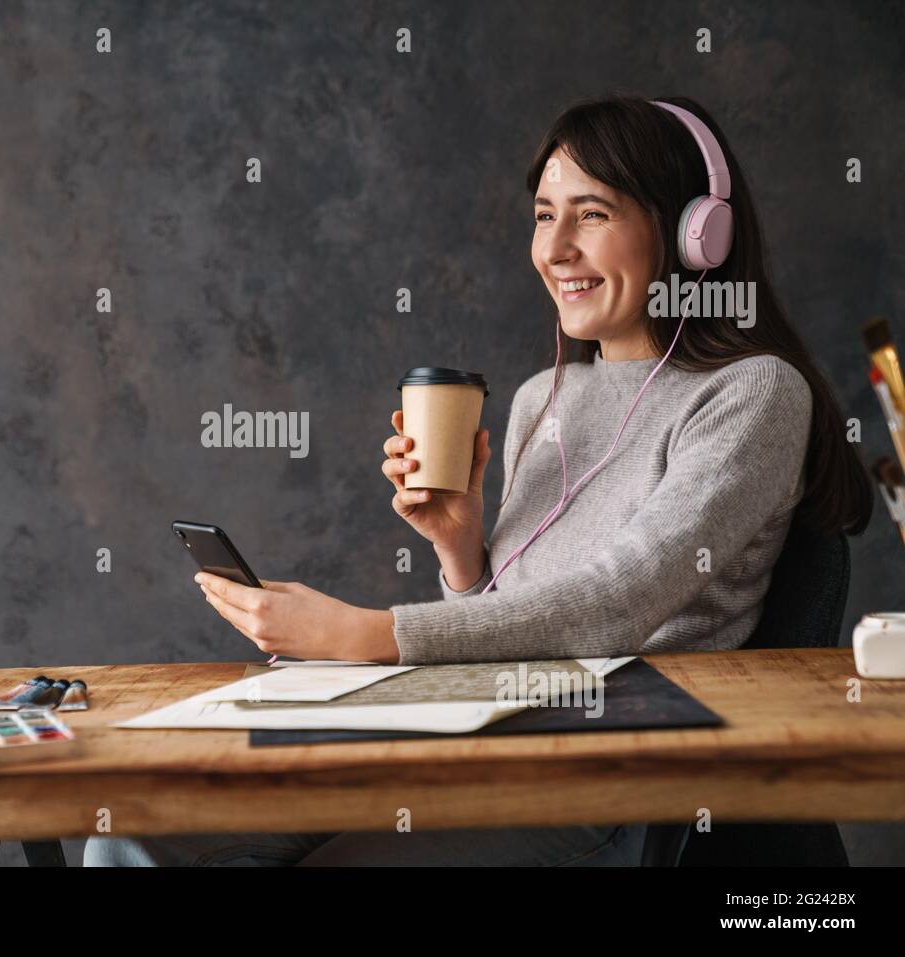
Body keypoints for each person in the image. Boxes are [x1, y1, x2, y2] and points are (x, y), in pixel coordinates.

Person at [85, 94, 873, 866]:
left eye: (592, 214)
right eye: (543, 214)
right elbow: (511, 629)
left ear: (696, 235)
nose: (555, 247)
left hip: (611, 780)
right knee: (134, 829)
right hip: (480, 735)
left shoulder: (754, 392)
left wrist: (373, 636)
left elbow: (620, 602)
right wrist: (462, 554)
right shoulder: (541, 396)